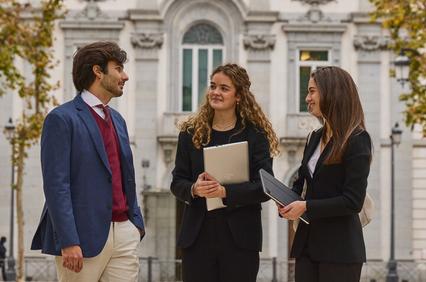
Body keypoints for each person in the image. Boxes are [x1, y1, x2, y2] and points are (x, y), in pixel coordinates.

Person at [31, 41, 145, 282]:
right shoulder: (61, 119)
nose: (125, 76)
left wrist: (135, 224)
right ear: (97, 71)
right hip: (81, 238)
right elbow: (56, 185)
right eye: (118, 68)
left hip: (124, 233)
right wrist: (68, 240)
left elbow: (126, 176)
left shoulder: (118, 119)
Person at [171, 63, 279, 282]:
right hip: (197, 237)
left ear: (238, 96)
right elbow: (177, 182)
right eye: (213, 86)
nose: (215, 93)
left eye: (224, 88)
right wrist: (194, 188)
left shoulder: (256, 135)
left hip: (241, 239)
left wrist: (224, 191)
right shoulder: (190, 134)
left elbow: (264, 188)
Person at [278, 66, 372, 282]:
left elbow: (353, 201)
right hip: (307, 246)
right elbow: (301, 183)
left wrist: (307, 207)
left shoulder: (357, 139)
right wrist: (284, 200)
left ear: (332, 92)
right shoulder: (314, 137)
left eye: (312, 91)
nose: (307, 98)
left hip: (340, 250)